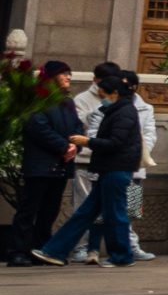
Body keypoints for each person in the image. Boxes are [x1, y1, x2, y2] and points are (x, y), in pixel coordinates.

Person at [31, 65, 137, 267]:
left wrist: (87, 142)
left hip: (122, 170)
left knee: (121, 213)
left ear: (115, 93)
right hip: (109, 168)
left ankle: (125, 253)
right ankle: (59, 250)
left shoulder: (125, 111)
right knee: (87, 212)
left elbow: (117, 142)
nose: (102, 98)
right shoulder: (110, 109)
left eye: (104, 95)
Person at [70, 67, 156, 262]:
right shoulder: (104, 106)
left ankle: (132, 245)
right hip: (107, 164)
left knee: (132, 209)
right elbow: (94, 132)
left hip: (135, 168)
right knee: (100, 211)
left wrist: (138, 152)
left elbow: (150, 134)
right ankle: (90, 248)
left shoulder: (146, 108)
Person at [8, 61, 81, 265]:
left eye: (69, 73)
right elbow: (37, 127)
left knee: (49, 211)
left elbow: (77, 128)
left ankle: (41, 249)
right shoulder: (38, 99)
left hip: (61, 166)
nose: (68, 77)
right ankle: (18, 251)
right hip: (40, 165)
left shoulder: (68, 102)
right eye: (63, 74)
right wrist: (64, 146)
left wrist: (75, 145)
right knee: (28, 210)